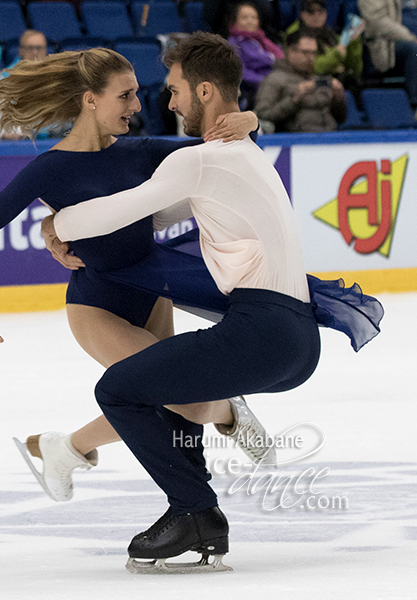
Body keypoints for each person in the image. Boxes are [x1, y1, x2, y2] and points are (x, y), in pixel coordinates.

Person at [40, 31, 323, 573]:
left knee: (118, 390)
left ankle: (195, 510)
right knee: (162, 387)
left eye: (174, 90)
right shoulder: (244, 153)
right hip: (296, 339)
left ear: (207, 91)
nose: (167, 102)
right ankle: (196, 503)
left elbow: (123, 210)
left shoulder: (202, 159)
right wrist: (253, 119)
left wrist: (57, 223)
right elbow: (155, 219)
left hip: (259, 331)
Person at [0, 48, 271, 505]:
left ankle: (65, 449)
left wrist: (251, 122)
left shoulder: (140, 153)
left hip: (153, 295)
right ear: (90, 100)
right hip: (97, 307)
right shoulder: (49, 169)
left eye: (138, 94)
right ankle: (231, 410)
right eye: (125, 96)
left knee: (160, 399)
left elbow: (231, 157)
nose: (138, 106)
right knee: (188, 397)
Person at [254, 29, 347, 132]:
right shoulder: (274, 80)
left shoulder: (319, 79)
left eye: (313, 53)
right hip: (295, 141)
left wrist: (338, 99)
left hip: (330, 139)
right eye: (306, 52)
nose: (310, 58)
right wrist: (294, 100)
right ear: (291, 51)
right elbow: (262, 115)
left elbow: (340, 119)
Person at [285, 0, 364, 92]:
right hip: (304, 85)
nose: (316, 15)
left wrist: (353, 42)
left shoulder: (330, 34)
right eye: (311, 11)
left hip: (335, 84)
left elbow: (354, 69)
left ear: (325, 13)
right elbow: (312, 66)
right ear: (302, 14)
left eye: (320, 11)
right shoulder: (294, 34)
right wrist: (336, 55)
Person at [358, 0, 417, 115]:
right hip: (384, 47)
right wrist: (411, 37)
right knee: (413, 50)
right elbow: (377, 21)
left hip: (408, 42)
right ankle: (415, 105)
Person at [228, 1, 284, 110]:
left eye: (254, 18)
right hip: (255, 88)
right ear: (235, 21)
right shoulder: (233, 43)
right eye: (245, 17)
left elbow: (281, 58)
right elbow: (240, 72)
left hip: (278, 81)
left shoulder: (263, 40)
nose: (250, 21)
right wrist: (266, 82)